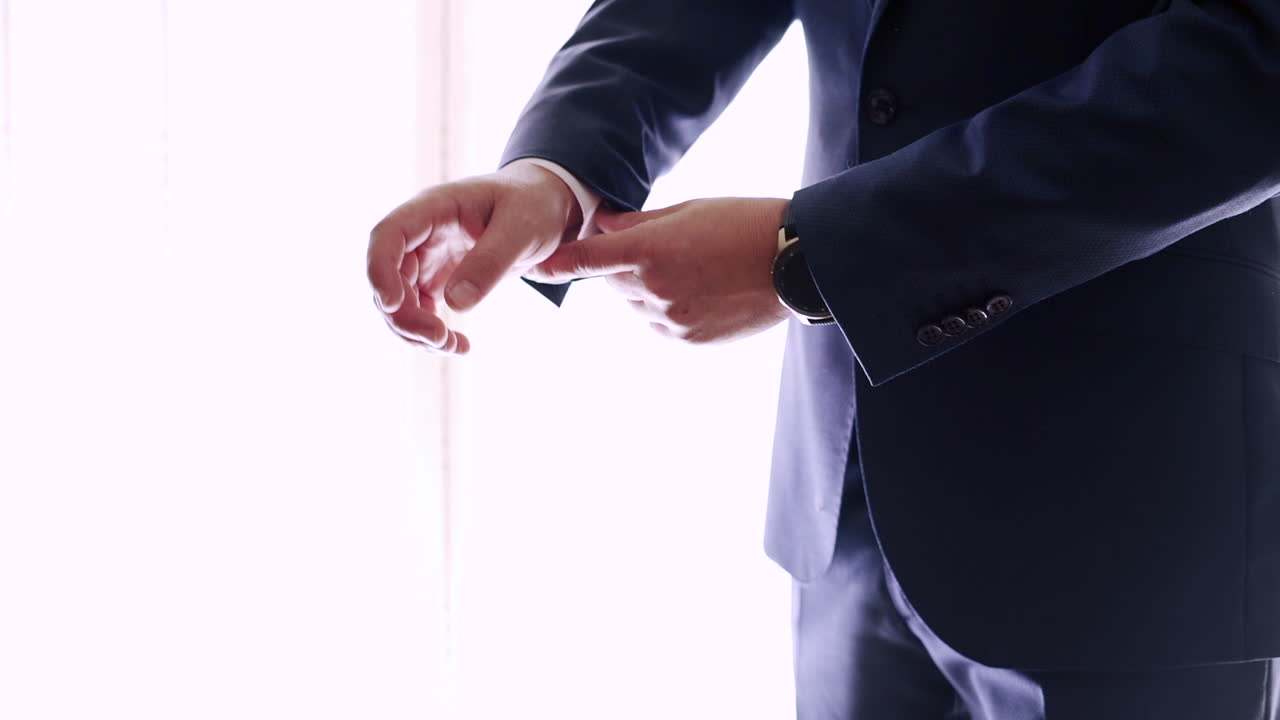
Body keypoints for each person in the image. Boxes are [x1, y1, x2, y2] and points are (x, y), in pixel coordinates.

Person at [366, 0, 1280, 717]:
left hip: (1132, 515)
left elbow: (1251, 63)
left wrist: (817, 257)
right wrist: (559, 170)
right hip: (844, 491)